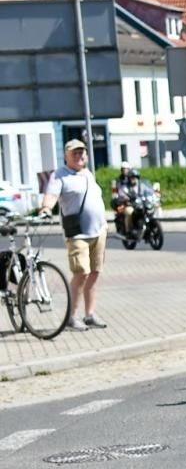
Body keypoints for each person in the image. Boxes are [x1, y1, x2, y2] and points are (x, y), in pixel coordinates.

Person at [37, 138, 107, 330]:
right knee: (81, 273)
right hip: (78, 234)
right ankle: (71, 316)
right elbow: (51, 194)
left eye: (82, 152)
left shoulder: (87, 173)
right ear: (66, 156)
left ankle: (90, 314)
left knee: (94, 272)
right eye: (75, 153)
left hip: (98, 231)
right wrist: (45, 208)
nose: (79, 156)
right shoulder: (60, 175)